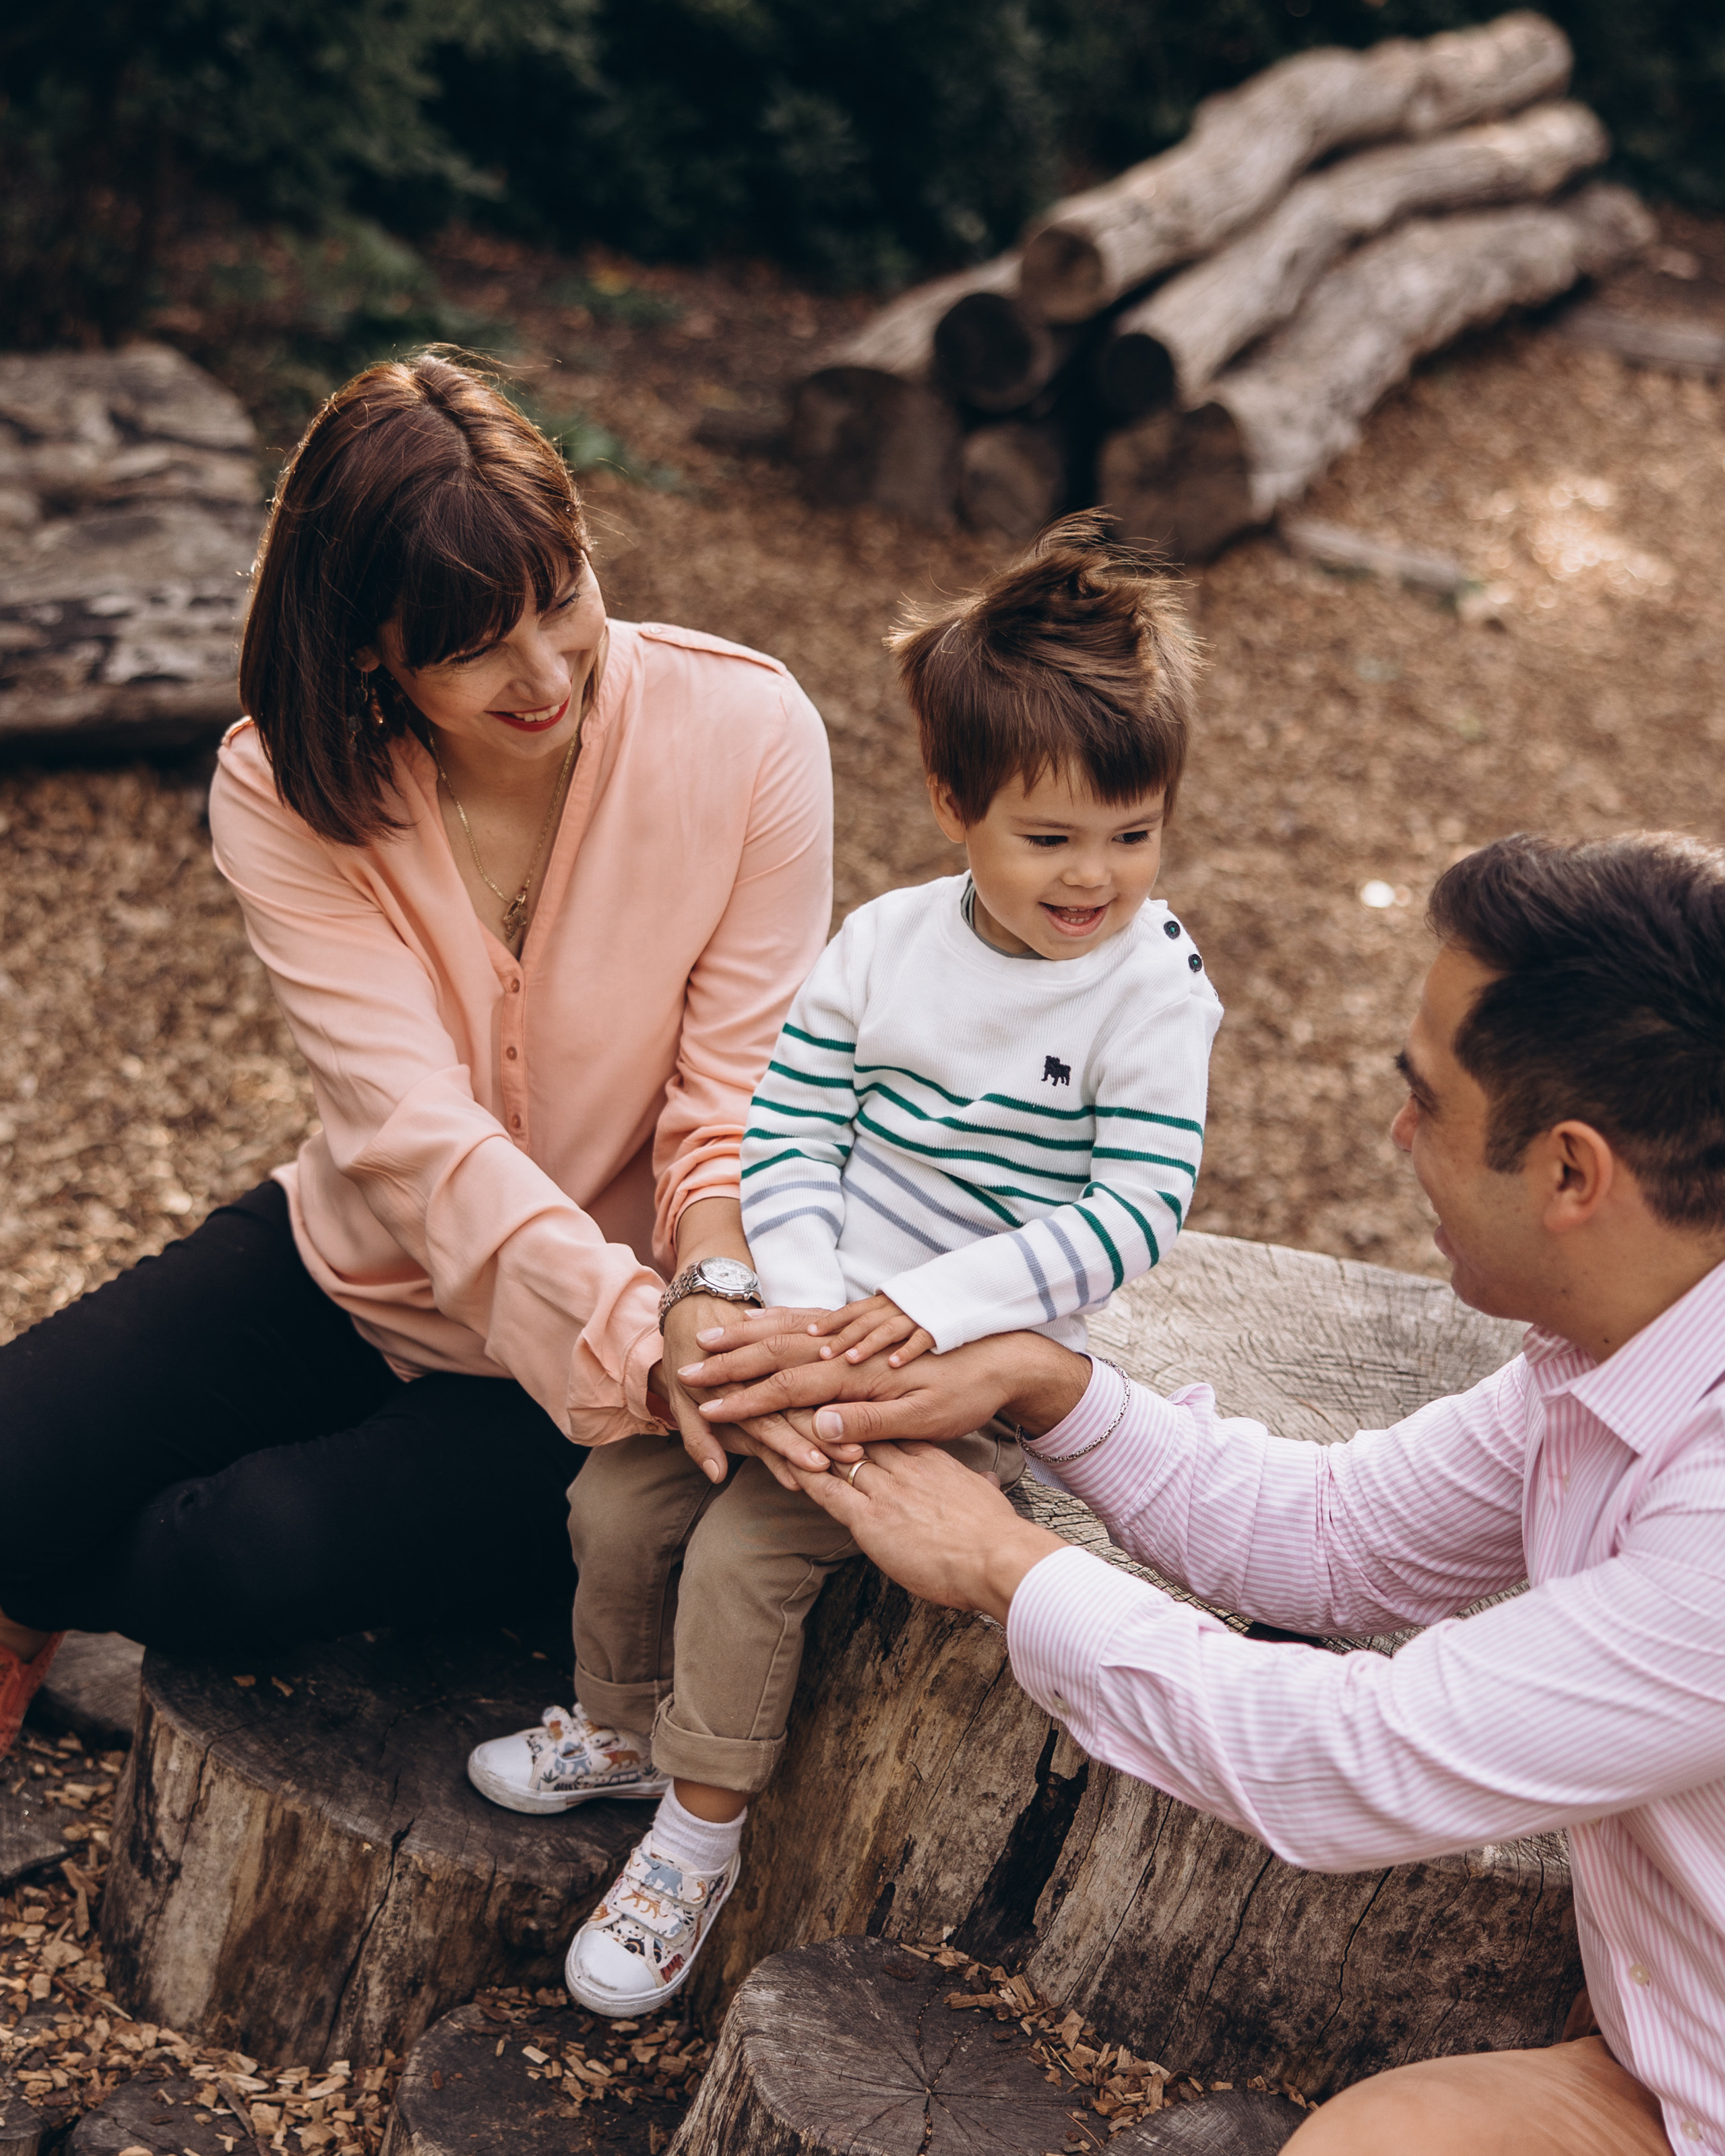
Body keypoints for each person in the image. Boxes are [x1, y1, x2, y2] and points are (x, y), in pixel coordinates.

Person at [682, 830, 1725, 2156]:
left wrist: (1006, 1565)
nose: (1395, 1135)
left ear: (1571, 1172)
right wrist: (1047, 1387)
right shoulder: (1614, 1344)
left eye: (1427, 1103)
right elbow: (1332, 1540)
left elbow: (1352, 1761)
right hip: (1656, 2063)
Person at [0, 354, 834, 1802]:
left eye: (563, 596)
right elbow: (406, 1127)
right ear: (366, 641)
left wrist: (691, 1307)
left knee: (235, 1558)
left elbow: (735, 1104)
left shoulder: (750, 733)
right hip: (359, 1260)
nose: (548, 673)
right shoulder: (282, 781)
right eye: (470, 645)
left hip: (591, 1373)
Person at [467, 519, 1220, 2019]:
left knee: (751, 1556)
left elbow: (1136, 1207)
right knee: (612, 1495)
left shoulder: (1152, 989)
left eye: (1130, 836)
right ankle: (621, 1732)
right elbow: (783, 1134)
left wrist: (909, 1321)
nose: (1095, 879)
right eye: (1049, 838)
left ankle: (700, 1834)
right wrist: (789, 1308)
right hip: (803, 1317)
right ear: (953, 803)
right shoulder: (881, 947)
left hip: (956, 1364)